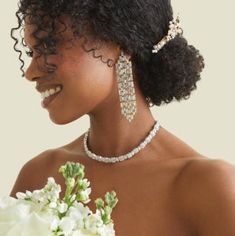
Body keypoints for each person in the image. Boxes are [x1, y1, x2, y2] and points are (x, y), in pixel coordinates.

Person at [9, 0, 235, 235]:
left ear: (119, 42)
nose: (31, 72)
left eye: (49, 46)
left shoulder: (210, 188)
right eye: (32, 52)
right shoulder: (40, 176)